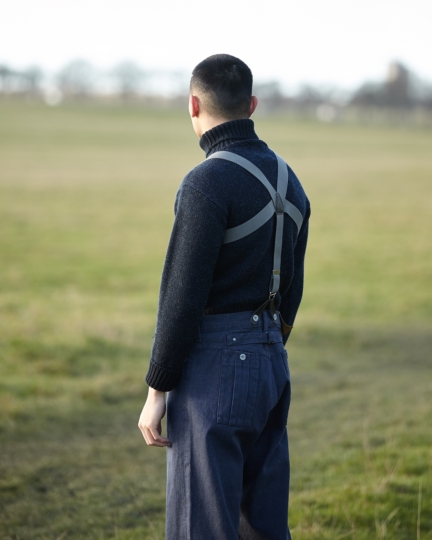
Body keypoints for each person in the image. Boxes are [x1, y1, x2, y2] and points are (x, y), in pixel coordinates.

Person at [138, 54, 310, 540]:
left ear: (194, 105)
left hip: (215, 366)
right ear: (251, 105)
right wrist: (268, 347)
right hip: (273, 360)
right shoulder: (290, 179)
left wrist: (157, 389)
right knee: (262, 524)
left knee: (203, 526)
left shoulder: (206, 181)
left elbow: (182, 294)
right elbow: (292, 289)